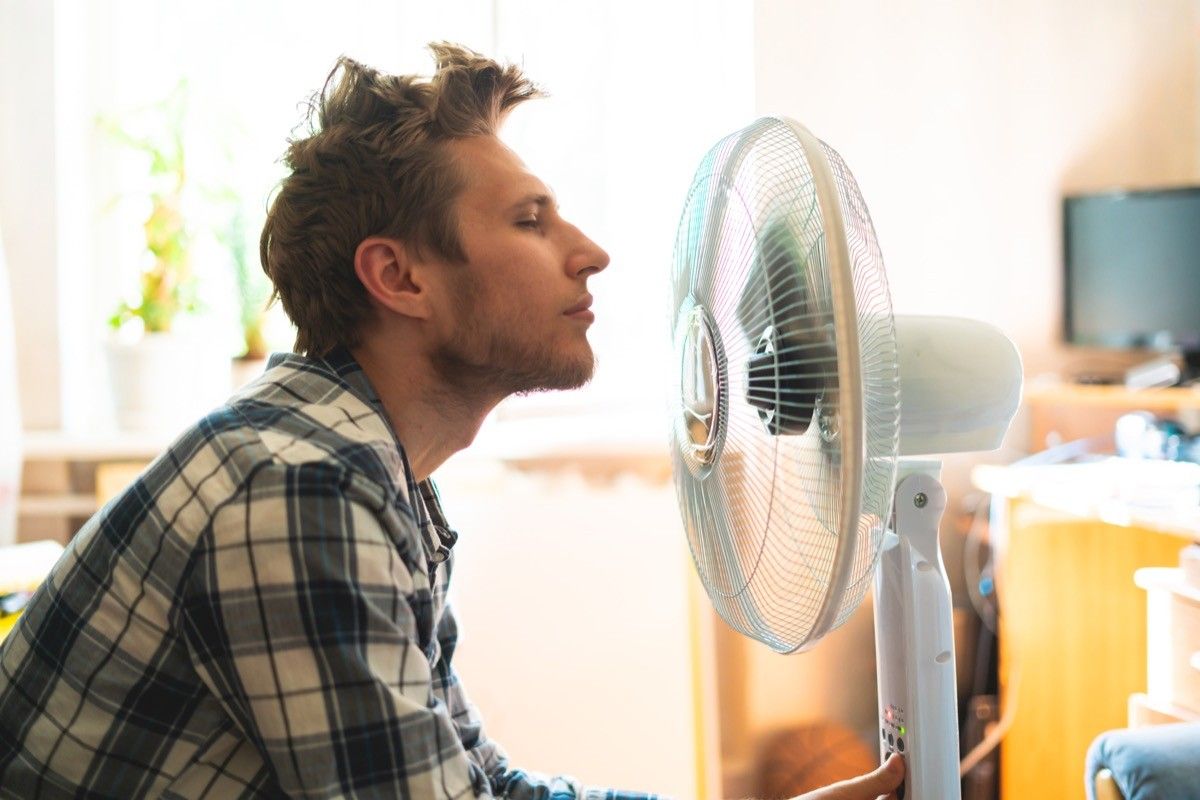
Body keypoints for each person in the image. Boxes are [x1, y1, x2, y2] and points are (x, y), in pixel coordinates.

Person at [0, 43, 904, 799]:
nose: (590, 253)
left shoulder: (375, 475)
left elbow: (483, 786)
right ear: (398, 278)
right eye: (530, 220)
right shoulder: (298, 491)